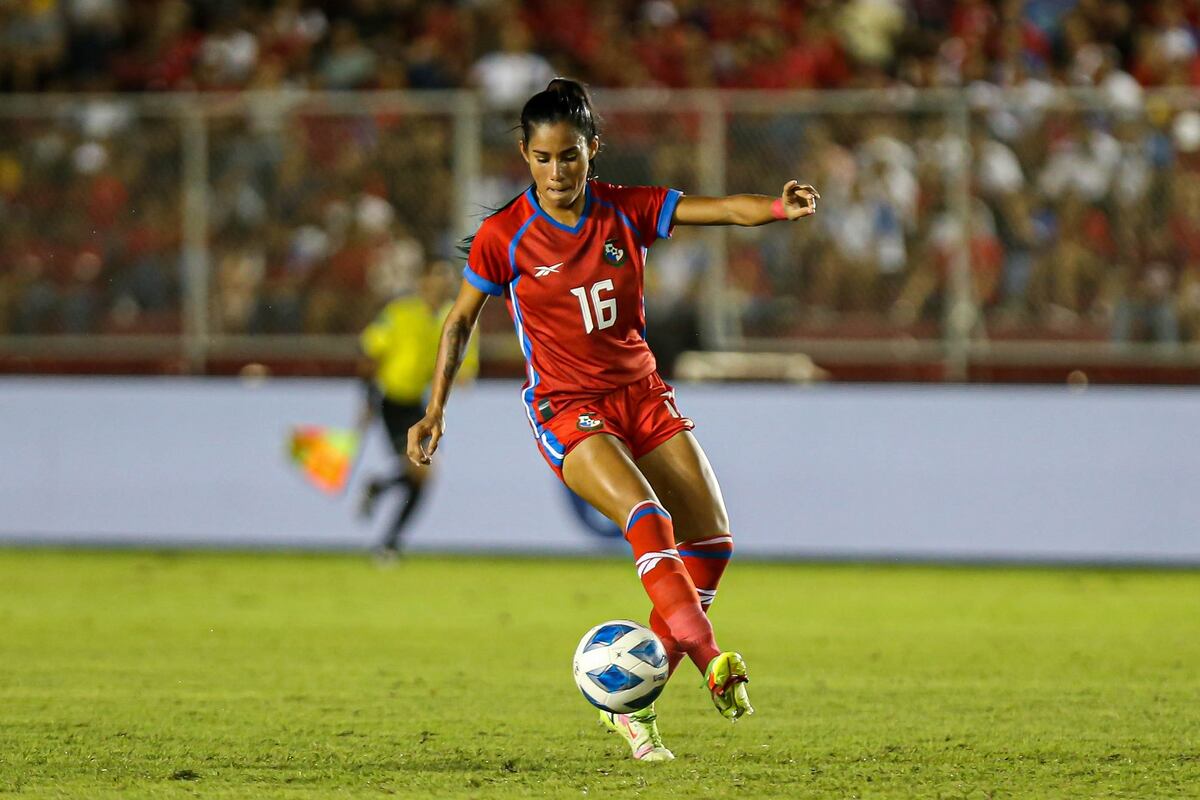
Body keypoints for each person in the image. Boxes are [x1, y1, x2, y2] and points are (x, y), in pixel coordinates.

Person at [406, 79, 818, 761]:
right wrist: (435, 409)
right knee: (647, 517)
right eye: (542, 158)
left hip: (642, 393)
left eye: (569, 157)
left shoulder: (628, 210)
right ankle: (713, 660)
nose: (556, 172)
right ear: (525, 155)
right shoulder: (504, 238)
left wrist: (778, 206)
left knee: (712, 545)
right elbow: (458, 323)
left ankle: (630, 706)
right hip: (566, 406)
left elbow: (722, 212)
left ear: (592, 151)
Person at [359, 259, 477, 555]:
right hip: (392, 400)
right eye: (437, 278)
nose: (442, 285)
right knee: (423, 472)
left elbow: (464, 368)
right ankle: (389, 541)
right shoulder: (400, 313)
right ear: (423, 281)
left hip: (419, 406)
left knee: (422, 476)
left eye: (447, 280)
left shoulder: (454, 318)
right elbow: (372, 353)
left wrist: (461, 375)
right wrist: (368, 399)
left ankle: (383, 507)